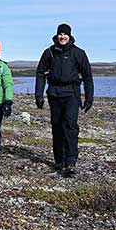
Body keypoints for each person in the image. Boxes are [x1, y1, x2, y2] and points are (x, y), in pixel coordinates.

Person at [35, 23, 94, 177]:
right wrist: (38, 95)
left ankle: (71, 162)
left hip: (72, 95)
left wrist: (89, 98)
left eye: (65, 34)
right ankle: (59, 161)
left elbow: (87, 76)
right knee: (57, 127)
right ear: (57, 35)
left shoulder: (78, 53)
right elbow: (40, 73)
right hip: (54, 94)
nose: (62, 37)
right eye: (60, 34)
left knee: (70, 126)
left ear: (70, 36)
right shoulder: (49, 52)